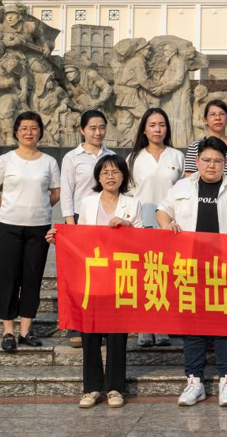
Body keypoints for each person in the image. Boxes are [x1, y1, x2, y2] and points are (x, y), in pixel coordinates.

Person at [157, 137, 227, 408]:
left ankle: (226, 381)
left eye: (218, 161)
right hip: (190, 267)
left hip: (225, 268)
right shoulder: (182, 186)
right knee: (192, 325)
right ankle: (194, 381)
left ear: (225, 163)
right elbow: (162, 211)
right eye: (207, 160)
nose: (212, 165)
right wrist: (167, 224)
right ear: (197, 161)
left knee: (225, 325)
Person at [45, 154, 141, 409]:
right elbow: (79, 239)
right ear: (98, 177)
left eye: (115, 171)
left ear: (123, 176)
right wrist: (60, 239)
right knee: (90, 334)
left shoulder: (133, 204)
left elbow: (142, 242)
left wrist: (128, 226)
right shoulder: (87, 203)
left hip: (120, 278)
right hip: (92, 278)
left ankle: (115, 388)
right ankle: (91, 388)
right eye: (105, 172)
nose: (110, 176)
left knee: (117, 336)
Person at [0, 111, 60, 353]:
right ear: (16, 132)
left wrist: (39, 208)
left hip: (39, 228)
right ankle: (8, 330)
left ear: (40, 132)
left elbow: (56, 193)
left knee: (32, 277)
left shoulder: (49, 162)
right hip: (9, 227)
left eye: (34, 128)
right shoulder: (6, 160)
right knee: (9, 278)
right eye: (24, 128)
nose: (29, 132)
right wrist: (10, 208)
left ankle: (26, 330)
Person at [126, 107, 184, 348]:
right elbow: (128, 194)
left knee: (165, 277)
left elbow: (183, 192)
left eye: (161, 124)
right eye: (152, 125)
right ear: (144, 129)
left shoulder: (177, 156)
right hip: (142, 225)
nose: (157, 129)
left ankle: (162, 326)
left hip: (169, 227)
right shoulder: (133, 158)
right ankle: (143, 326)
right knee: (143, 277)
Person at [59, 110, 115, 347]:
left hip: (106, 220)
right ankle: (77, 326)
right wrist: (70, 225)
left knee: (104, 275)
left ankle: (104, 324)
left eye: (101, 127)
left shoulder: (111, 156)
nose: (98, 132)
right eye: (92, 128)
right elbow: (66, 192)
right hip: (80, 221)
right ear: (82, 130)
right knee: (80, 276)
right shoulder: (72, 158)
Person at [184, 99, 227, 180]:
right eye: (212, 114)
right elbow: (189, 178)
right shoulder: (195, 146)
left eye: (222, 114)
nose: (217, 118)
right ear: (205, 120)